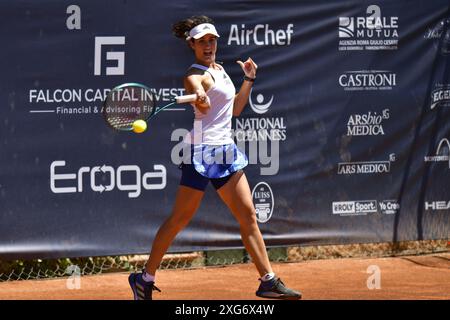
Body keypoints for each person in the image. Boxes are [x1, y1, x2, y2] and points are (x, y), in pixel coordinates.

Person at [128, 15, 301, 300]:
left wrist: (248, 79)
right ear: (192, 45)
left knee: (248, 216)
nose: (208, 46)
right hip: (201, 153)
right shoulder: (195, 74)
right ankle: (144, 278)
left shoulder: (220, 69)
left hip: (225, 150)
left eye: (212, 40)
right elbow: (199, 93)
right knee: (179, 220)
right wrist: (200, 96)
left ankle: (267, 280)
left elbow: (234, 110)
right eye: (202, 42)